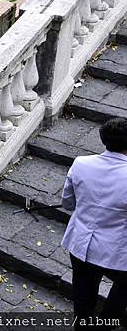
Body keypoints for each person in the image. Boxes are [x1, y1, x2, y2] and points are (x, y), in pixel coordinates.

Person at [61, 118, 127, 330]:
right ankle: (108, 321)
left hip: (81, 243)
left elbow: (67, 203)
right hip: (115, 251)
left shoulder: (81, 163)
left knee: (83, 295)